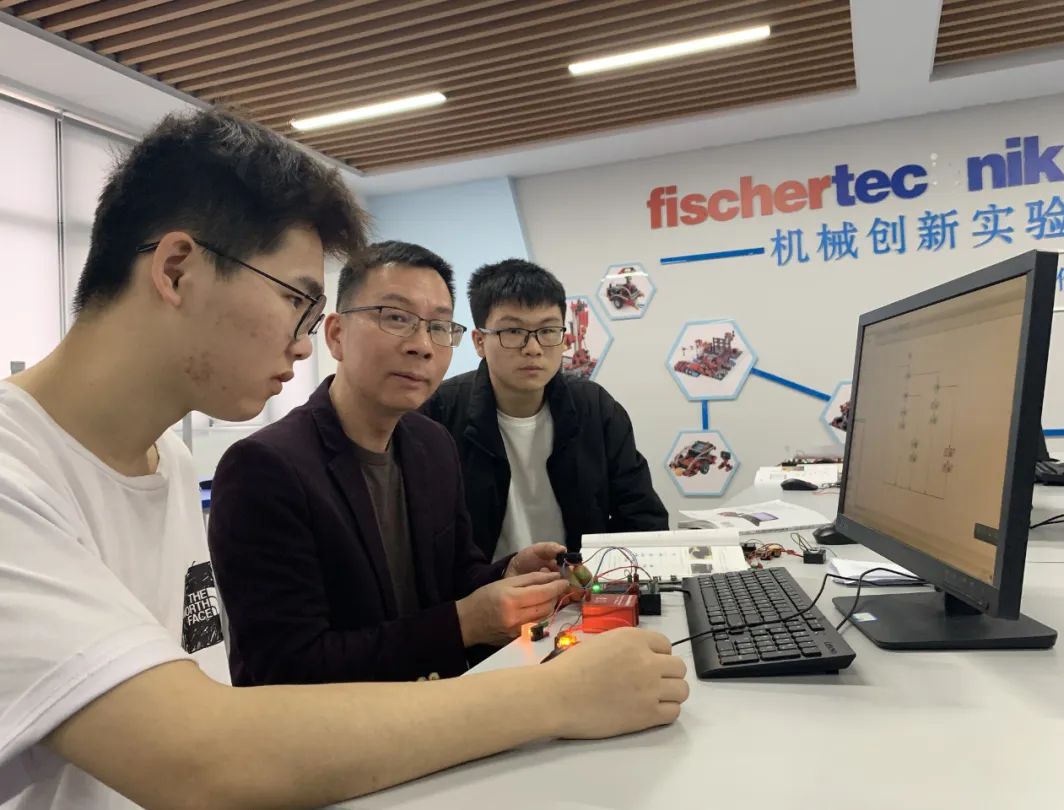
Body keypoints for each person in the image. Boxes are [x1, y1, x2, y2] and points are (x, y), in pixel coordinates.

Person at [0, 109, 688, 810]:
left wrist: (502, 590)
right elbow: (200, 756)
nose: (300, 344)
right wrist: (559, 695)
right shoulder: (17, 477)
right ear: (178, 270)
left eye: (438, 327)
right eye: (295, 300)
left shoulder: (167, 462)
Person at [208, 241, 571, 685]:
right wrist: (463, 624)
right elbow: (286, 666)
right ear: (336, 334)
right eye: (396, 318)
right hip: (342, 725)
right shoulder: (265, 468)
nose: (422, 346)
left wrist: (507, 573)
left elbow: (457, 576)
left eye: (439, 326)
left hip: (441, 706)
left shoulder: (432, 444)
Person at [421, 259, 668, 562]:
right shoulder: (437, 414)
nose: (533, 348)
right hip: (485, 587)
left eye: (548, 330)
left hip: (582, 583)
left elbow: (642, 517)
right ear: (479, 341)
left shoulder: (596, 409)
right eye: (513, 331)